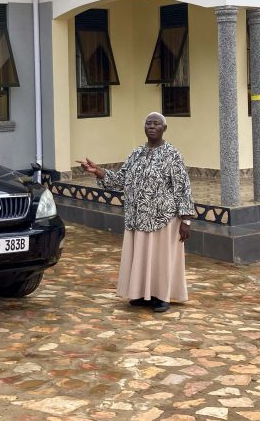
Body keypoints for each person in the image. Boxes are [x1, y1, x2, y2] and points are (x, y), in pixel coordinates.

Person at [77, 112, 195, 313]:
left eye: (157, 123)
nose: (152, 126)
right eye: (148, 123)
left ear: (164, 129)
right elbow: (120, 180)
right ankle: (141, 294)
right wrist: (98, 171)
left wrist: (186, 221)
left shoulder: (172, 155)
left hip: (163, 218)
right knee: (141, 257)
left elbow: (183, 187)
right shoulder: (136, 154)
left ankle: (161, 296)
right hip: (137, 217)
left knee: (161, 259)